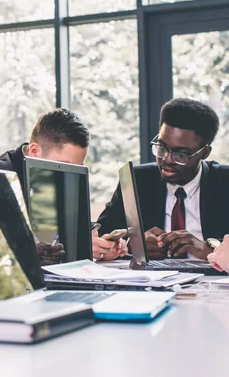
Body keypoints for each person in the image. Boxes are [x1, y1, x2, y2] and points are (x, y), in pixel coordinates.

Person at [0, 108, 127, 263]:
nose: (70, 174)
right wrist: (79, 249)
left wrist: (101, 246)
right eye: (64, 165)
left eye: (77, 168)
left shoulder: (60, 177)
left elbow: (66, 229)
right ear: (34, 150)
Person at [98, 98, 229, 260]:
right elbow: (101, 233)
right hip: (151, 280)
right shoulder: (137, 180)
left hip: (212, 282)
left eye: (180, 154)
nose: (166, 160)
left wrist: (210, 249)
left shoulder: (225, 182)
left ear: (204, 153)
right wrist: (133, 244)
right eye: (161, 148)